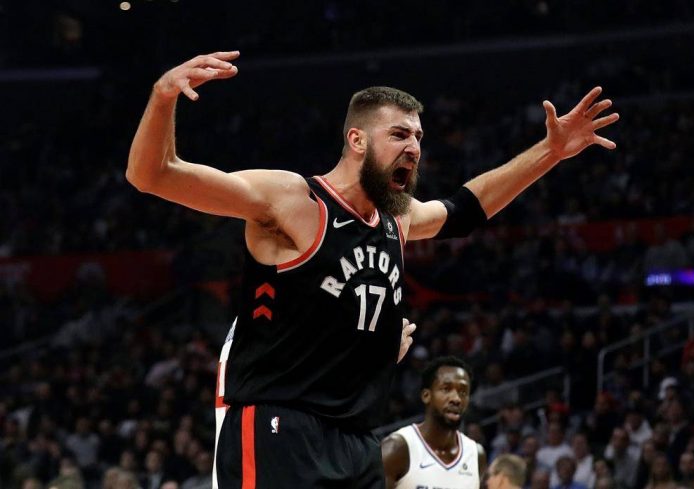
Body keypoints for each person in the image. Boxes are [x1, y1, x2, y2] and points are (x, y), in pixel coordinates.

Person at [126, 51, 619, 488]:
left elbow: (466, 209)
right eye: (400, 134)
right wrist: (162, 96)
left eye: (419, 137)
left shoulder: (396, 219)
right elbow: (151, 175)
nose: (414, 148)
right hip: (280, 427)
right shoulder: (293, 200)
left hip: (357, 442)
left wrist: (551, 152)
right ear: (357, 139)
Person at [381, 356, 486, 488]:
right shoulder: (397, 449)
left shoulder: (476, 455)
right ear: (426, 396)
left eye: (463, 392)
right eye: (446, 389)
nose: (456, 398)